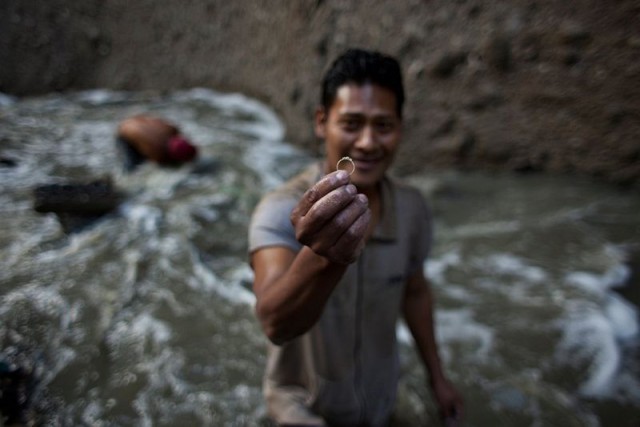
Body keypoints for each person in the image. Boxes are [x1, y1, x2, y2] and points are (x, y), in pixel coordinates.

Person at [248, 48, 463, 426]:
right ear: (321, 122)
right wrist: (323, 254)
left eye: (383, 126)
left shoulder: (412, 209)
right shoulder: (281, 209)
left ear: (400, 129)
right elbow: (274, 324)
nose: (366, 143)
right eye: (351, 123)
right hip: (303, 412)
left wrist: (438, 378)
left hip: (378, 402)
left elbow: (414, 292)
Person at [116, 114, 197, 170]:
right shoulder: (157, 152)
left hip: (133, 121)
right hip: (125, 135)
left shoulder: (172, 129)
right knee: (133, 167)